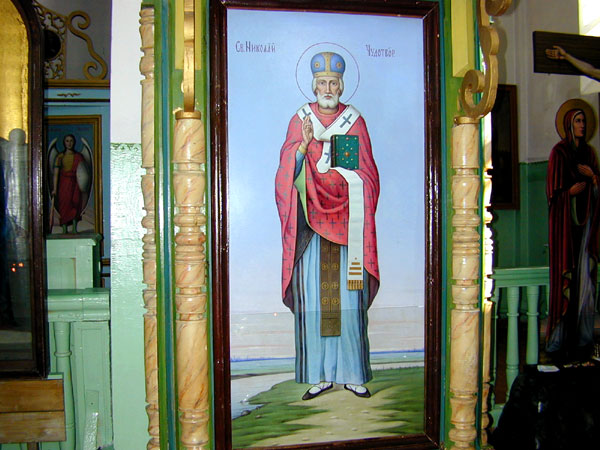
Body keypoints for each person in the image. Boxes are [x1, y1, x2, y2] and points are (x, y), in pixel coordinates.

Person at [275, 51, 380, 400]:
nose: (328, 88)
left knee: (348, 302)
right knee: (317, 303)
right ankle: (319, 375)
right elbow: (285, 173)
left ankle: (352, 373)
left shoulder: (354, 122)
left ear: (342, 85)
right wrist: (303, 147)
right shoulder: (300, 120)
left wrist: (342, 178)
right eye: (322, 82)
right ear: (314, 85)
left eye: (334, 82)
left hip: (347, 228)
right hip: (311, 231)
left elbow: (368, 174)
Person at [546, 99, 600, 362]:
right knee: (569, 282)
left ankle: (582, 340)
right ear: (568, 124)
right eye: (578, 121)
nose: (582, 125)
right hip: (566, 232)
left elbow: (598, 191)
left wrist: (592, 177)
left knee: (585, 282)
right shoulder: (559, 153)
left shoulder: (589, 154)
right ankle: (561, 342)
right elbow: (552, 195)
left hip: (586, 228)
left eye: (584, 121)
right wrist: (568, 193)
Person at [51, 134, 85, 233]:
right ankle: (64, 229)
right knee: (64, 205)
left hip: (75, 184)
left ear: (74, 142)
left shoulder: (78, 157)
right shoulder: (60, 157)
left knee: (75, 204)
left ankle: (74, 228)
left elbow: (83, 172)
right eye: (67, 141)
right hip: (64, 184)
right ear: (64, 142)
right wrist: (55, 189)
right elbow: (56, 174)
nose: (69, 143)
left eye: (71, 141)